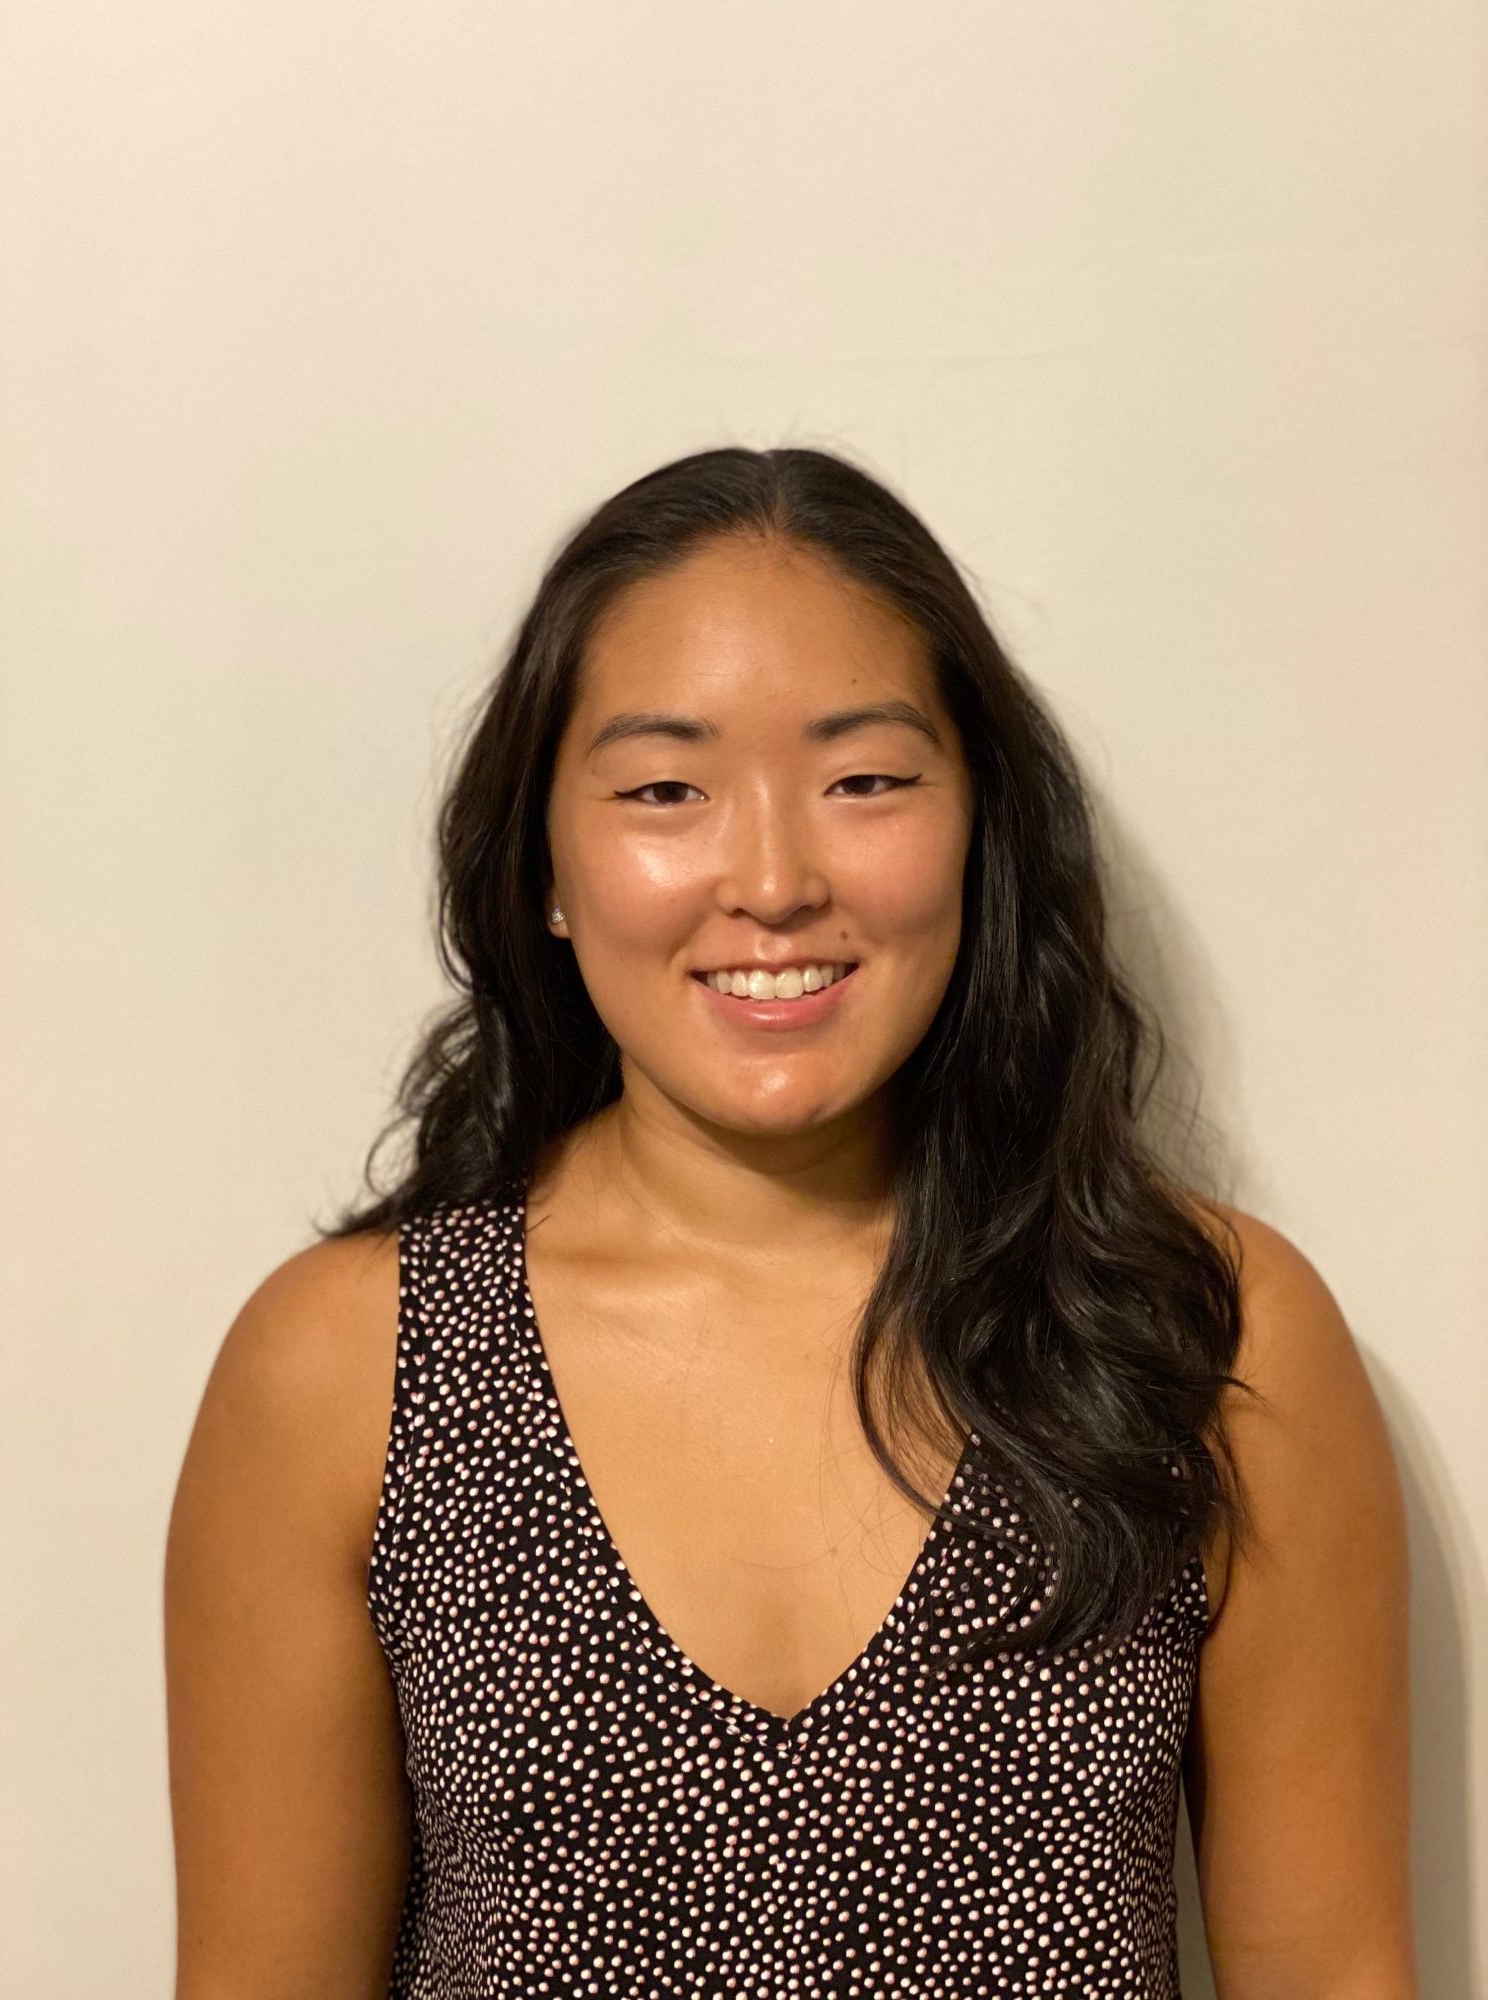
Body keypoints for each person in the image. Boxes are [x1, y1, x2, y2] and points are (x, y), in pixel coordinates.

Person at [164, 446, 1417, 1996]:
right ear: (545, 865)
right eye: (665, 789)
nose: (770, 878)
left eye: (866, 780)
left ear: (982, 832)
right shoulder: (346, 1363)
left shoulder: (1212, 1333)